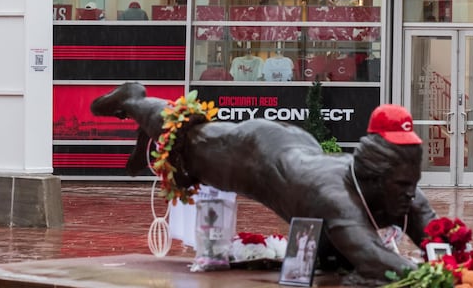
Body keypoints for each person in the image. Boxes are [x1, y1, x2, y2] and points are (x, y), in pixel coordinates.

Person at [92, 83, 437, 279]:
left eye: (412, 183)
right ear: (376, 177)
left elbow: (440, 235)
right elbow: (376, 260)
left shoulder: (399, 185)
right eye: (403, 186)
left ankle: (142, 136)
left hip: (304, 153)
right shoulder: (335, 198)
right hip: (261, 153)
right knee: (192, 142)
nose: (411, 194)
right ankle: (135, 101)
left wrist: (462, 260)